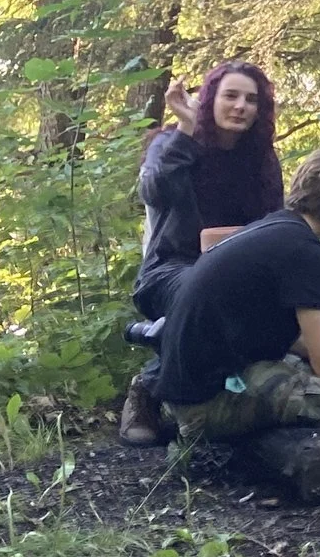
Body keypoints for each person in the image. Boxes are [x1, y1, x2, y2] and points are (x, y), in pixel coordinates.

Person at [147, 149, 320, 440]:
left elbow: (301, 342)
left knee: (306, 370)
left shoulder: (270, 230)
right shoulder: (303, 250)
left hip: (190, 392)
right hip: (208, 406)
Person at [120, 60, 287, 445]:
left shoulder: (261, 161)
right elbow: (154, 191)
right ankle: (147, 390)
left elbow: (274, 226)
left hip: (237, 274)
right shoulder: (171, 143)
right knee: (207, 293)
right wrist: (187, 129)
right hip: (170, 270)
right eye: (231, 96)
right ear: (211, 99)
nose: (240, 106)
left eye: (251, 100)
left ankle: (247, 403)